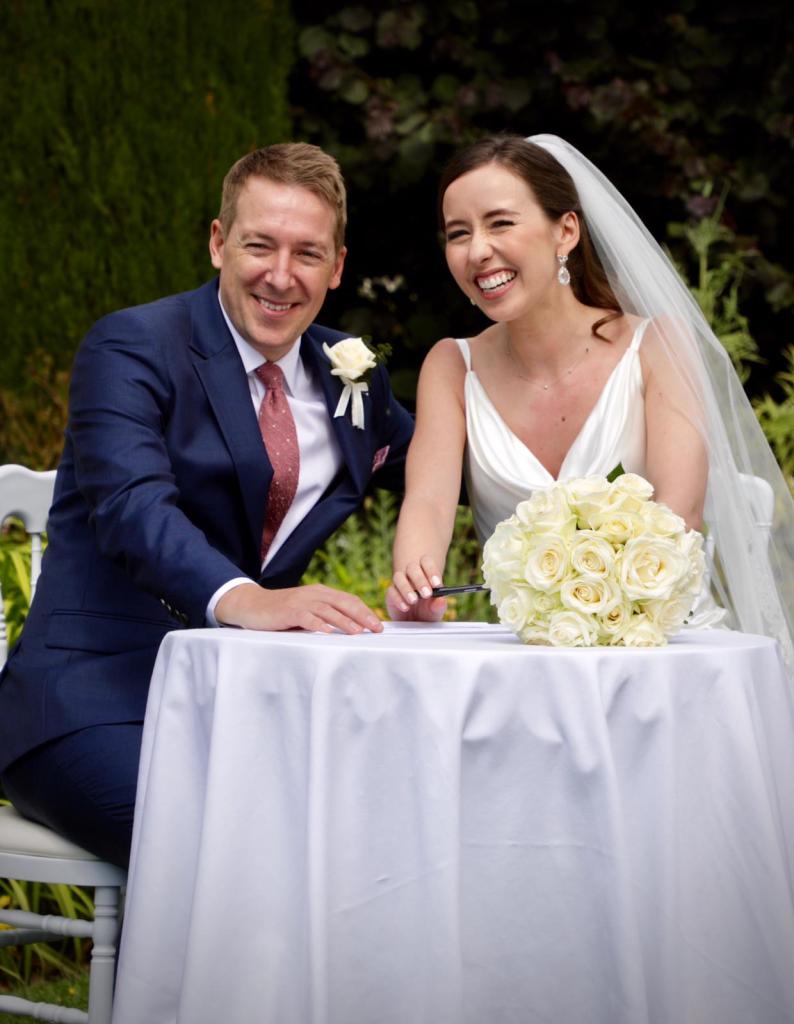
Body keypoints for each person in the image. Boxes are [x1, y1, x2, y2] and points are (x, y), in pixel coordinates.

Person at [0, 142, 414, 867]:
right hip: (92, 702)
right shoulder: (133, 346)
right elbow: (132, 507)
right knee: (239, 845)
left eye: (308, 253)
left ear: (337, 266)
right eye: (259, 245)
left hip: (247, 705)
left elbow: (442, 469)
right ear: (219, 242)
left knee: (384, 816)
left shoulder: (350, 372)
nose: (280, 275)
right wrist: (247, 599)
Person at [388, 134, 794, 668]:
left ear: (566, 231)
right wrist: (416, 583)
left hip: (660, 653)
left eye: (500, 223)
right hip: (530, 656)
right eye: (458, 233)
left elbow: (681, 513)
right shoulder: (450, 365)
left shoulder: (658, 345)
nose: (477, 250)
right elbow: (429, 503)